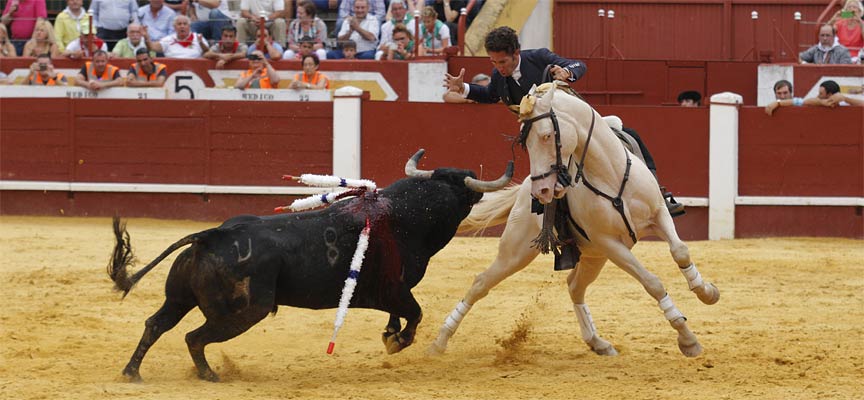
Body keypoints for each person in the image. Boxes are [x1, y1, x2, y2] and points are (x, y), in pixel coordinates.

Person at [443, 26, 684, 217]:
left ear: (516, 53)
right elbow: (490, 95)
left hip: (572, 128)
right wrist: (463, 88)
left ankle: (658, 194)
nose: (498, 68)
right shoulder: (499, 76)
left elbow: (579, 64)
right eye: (494, 63)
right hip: (544, 141)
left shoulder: (538, 58)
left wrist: (568, 73)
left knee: (627, 134)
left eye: (502, 62)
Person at [144, 15, 209, 59]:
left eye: (185, 24)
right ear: (174, 27)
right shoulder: (168, 39)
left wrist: (201, 43)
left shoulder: (197, 37)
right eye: (179, 24)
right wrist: (146, 36)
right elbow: (151, 47)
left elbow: (207, 51)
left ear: (189, 26)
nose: (182, 26)